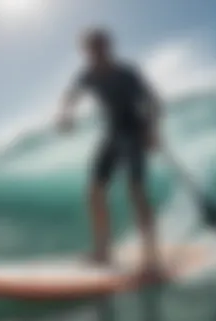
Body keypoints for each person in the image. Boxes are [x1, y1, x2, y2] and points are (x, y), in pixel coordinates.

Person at [58, 28, 162, 277]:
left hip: (134, 133)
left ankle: (151, 258)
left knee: (136, 190)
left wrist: (152, 131)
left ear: (108, 47)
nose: (93, 53)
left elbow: (153, 100)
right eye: (89, 49)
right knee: (94, 190)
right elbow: (71, 94)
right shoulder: (88, 74)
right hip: (112, 136)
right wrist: (66, 114)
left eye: (98, 47)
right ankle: (103, 251)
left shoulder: (126, 73)